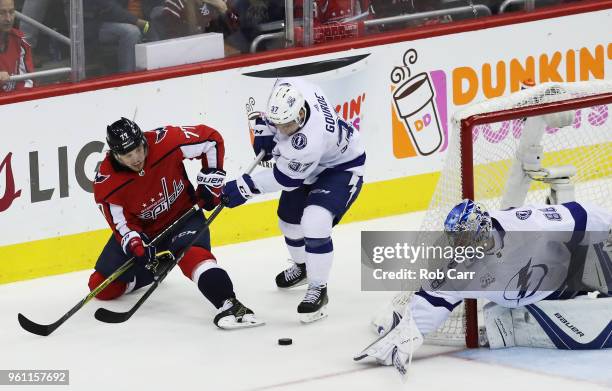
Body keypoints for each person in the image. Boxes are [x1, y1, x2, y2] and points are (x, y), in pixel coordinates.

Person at [355, 199, 612, 375]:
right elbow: (434, 299)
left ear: (483, 229)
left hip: (574, 267)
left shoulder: (525, 224)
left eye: (465, 238)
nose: (460, 245)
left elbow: (578, 214)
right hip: (538, 299)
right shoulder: (456, 266)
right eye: (456, 239)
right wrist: (406, 337)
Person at [90, 117, 263, 329]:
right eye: (128, 155)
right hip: (144, 231)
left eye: (138, 149)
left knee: (194, 257)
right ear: (116, 155)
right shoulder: (106, 183)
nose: (136, 158)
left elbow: (211, 140)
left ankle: (230, 304)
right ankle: (153, 271)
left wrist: (211, 182)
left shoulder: (165, 141)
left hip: (184, 215)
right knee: (100, 287)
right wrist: (135, 243)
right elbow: (121, 225)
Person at [221, 77, 365, 322]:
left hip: (340, 168)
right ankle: (304, 268)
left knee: (315, 221)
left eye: (286, 125)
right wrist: (266, 125)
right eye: (279, 124)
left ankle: (318, 288)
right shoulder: (294, 89)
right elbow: (281, 81)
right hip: (311, 166)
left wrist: (245, 187)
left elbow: (286, 179)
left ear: (300, 113)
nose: (283, 130)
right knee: (288, 222)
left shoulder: (308, 141)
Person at [0, 0, 34, 92]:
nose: (8, 19)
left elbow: (27, 81)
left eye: (11, 12)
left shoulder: (20, 40)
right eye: (1, 13)